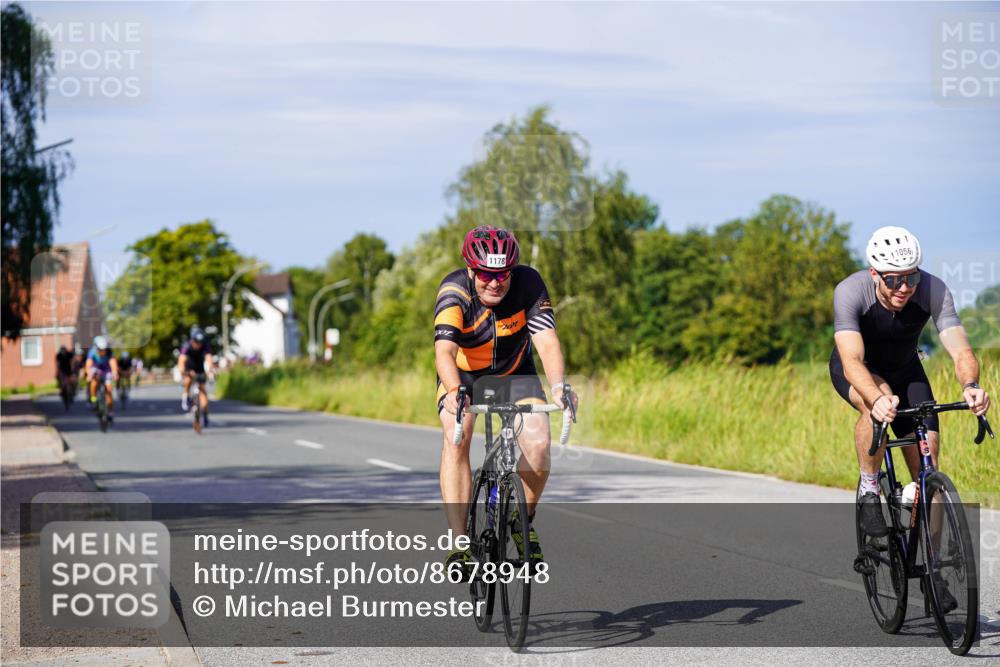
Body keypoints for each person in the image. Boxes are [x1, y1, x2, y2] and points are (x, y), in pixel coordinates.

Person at [830, 226, 990, 545]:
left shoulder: (933, 289)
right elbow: (851, 360)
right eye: (893, 280)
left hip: (907, 369)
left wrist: (971, 384)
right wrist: (876, 398)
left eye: (911, 277)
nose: (904, 288)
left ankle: (935, 560)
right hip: (861, 369)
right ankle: (869, 488)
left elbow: (961, 350)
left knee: (929, 469)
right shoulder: (850, 291)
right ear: (874, 274)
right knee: (877, 406)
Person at [435, 225, 578, 569]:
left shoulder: (529, 283)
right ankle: (459, 543)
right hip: (465, 378)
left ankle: (521, 520)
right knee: (457, 436)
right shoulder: (454, 290)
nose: (495, 282)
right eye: (486, 274)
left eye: (502, 274)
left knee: (539, 444)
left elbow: (547, 342)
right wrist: (454, 391)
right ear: (471, 269)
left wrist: (559, 387)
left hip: (516, 375)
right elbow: (444, 352)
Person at [177, 326, 214, 422]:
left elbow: (209, 359)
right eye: (196, 342)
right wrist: (183, 372)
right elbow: (181, 361)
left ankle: (205, 413)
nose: (198, 344)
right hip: (189, 367)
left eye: (200, 342)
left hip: (200, 368)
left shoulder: (205, 345)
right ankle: (186, 396)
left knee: (202, 389)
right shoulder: (187, 346)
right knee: (188, 380)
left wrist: (209, 371)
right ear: (192, 340)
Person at [84, 336, 119, 420]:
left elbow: (113, 363)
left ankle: (110, 411)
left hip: (106, 369)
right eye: (100, 349)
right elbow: (88, 364)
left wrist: (115, 373)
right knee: (94, 382)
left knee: (109, 389)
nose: (102, 351)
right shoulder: (92, 352)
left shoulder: (109, 352)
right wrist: (89, 374)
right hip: (96, 368)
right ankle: (93, 399)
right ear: (96, 348)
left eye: (104, 349)